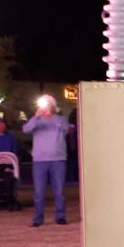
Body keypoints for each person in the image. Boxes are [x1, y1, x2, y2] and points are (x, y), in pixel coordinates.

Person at [23, 94, 70, 226]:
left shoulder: (60, 119)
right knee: (39, 193)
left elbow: (66, 128)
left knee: (59, 191)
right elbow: (25, 129)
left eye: (49, 104)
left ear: (54, 106)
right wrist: (36, 116)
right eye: (44, 104)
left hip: (58, 160)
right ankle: (38, 219)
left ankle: (60, 216)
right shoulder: (36, 121)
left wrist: (52, 115)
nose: (45, 107)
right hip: (39, 161)